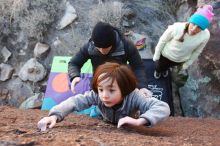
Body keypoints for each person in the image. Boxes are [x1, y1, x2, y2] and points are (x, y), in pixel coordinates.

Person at [38, 62, 170, 131]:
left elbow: (162, 107)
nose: (104, 95)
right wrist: (54, 116)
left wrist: (139, 121)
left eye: (111, 90)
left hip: (128, 119)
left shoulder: (135, 96)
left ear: (124, 89)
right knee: (94, 111)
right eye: (101, 89)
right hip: (104, 117)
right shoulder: (97, 95)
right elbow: (75, 101)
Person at [68, 21, 149, 94]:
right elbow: (74, 63)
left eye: (106, 48)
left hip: (120, 80)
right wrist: (75, 76)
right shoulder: (89, 47)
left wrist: (142, 86)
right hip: (99, 82)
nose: (102, 51)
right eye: (98, 48)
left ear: (112, 43)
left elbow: (138, 67)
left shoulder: (127, 46)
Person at [153, 5, 214, 79]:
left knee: (169, 66)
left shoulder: (205, 35)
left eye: (199, 27)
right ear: (190, 21)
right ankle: (158, 71)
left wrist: (188, 63)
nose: (194, 29)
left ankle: (165, 69)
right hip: (166, 55)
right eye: (194, 24)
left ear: (203, 29)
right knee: (161, 66)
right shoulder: (176, 28)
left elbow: (197, 51)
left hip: (180, 59)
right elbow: (163, 40)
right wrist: (157, 54)